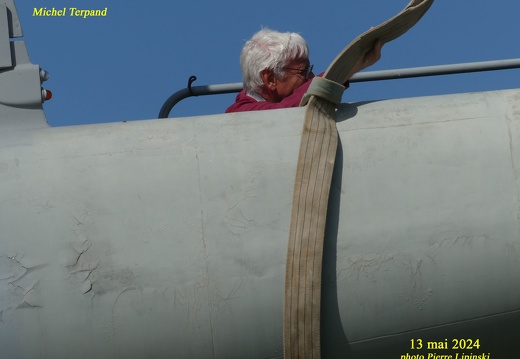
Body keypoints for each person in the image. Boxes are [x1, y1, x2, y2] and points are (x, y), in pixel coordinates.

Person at [225, 28, 383, 113]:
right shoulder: (241, 114)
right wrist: (349, 66)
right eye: (302, 72)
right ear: (271, 78)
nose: (311, 77)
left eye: (310, 70)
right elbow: (282, 113)